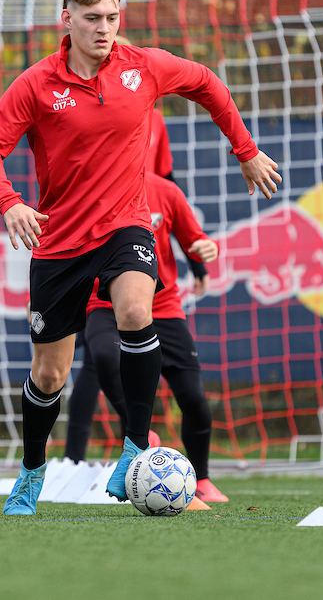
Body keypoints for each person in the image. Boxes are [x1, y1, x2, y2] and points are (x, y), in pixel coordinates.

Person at [0, 0, 280, 515]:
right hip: (59, 242)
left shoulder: (144, 67)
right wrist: (10, 202)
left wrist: (246, 149)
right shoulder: (37, 84)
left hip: (126, 225)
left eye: (112, 17)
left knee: (137, 311)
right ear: (67, 19)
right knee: (50, 374)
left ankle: (136, 444)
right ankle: (31, 471)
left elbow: (207, 83)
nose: (105, 28)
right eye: (92, 19)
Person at [63, 174, 230, 503]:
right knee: (104, 355)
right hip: (104, 304)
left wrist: (207, 250)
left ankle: (203, 477)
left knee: (194, 398)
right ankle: (140, 436)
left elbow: (195, 239)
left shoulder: (166, 191)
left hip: (164, 307)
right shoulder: (90, 185)